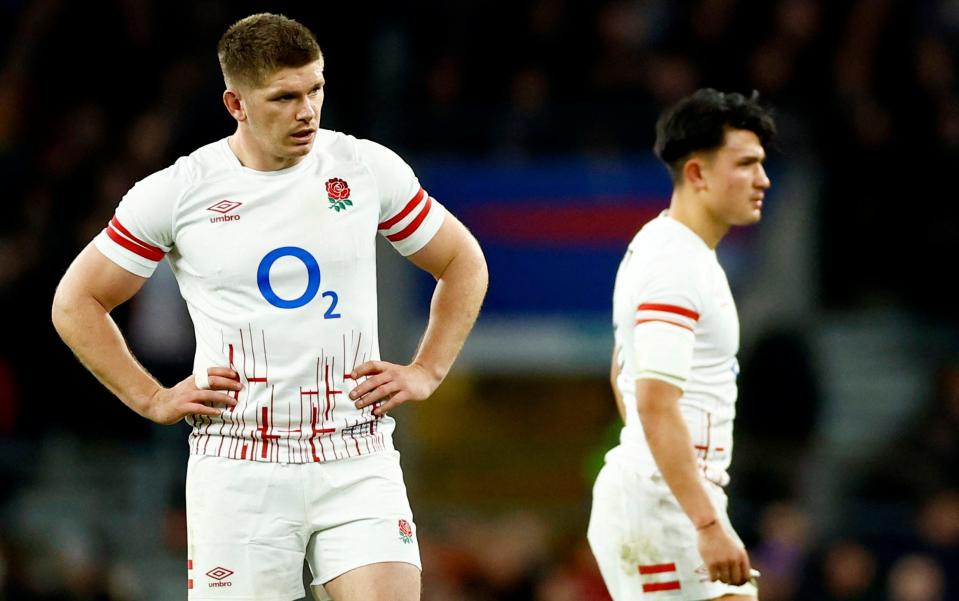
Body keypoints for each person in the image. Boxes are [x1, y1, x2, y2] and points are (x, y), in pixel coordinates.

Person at [50, 13, 487, 601]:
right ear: (236, 103)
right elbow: (76, 303)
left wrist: (428, 368)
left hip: (355, 449)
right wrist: (151, 397)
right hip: (240, 461)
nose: (307, 110)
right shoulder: (180, 192)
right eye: (284, 97)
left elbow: (463, 262)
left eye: (316, 89)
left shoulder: (363, 168)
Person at [587, 88, 776, 600]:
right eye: (747, 163)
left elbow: (621, 373)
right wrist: (705, 521)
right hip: (663, 508)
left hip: (667, 499)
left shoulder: (673, 250)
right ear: (697, 173)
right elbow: (652, 401)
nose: (763, 179)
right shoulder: (673, 264)